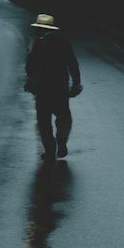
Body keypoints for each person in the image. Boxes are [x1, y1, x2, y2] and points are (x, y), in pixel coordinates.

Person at [25, 12, 82, 160]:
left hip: (43, 88)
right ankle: (61, 140)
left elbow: (30, 65)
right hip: (60, 87)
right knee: (63, 116)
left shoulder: (39, 43)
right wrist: (76, 83)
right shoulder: (64, 41)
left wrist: (30, 80)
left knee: (44, 120)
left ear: (41, 29)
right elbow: (72, 63)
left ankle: (50, 150)